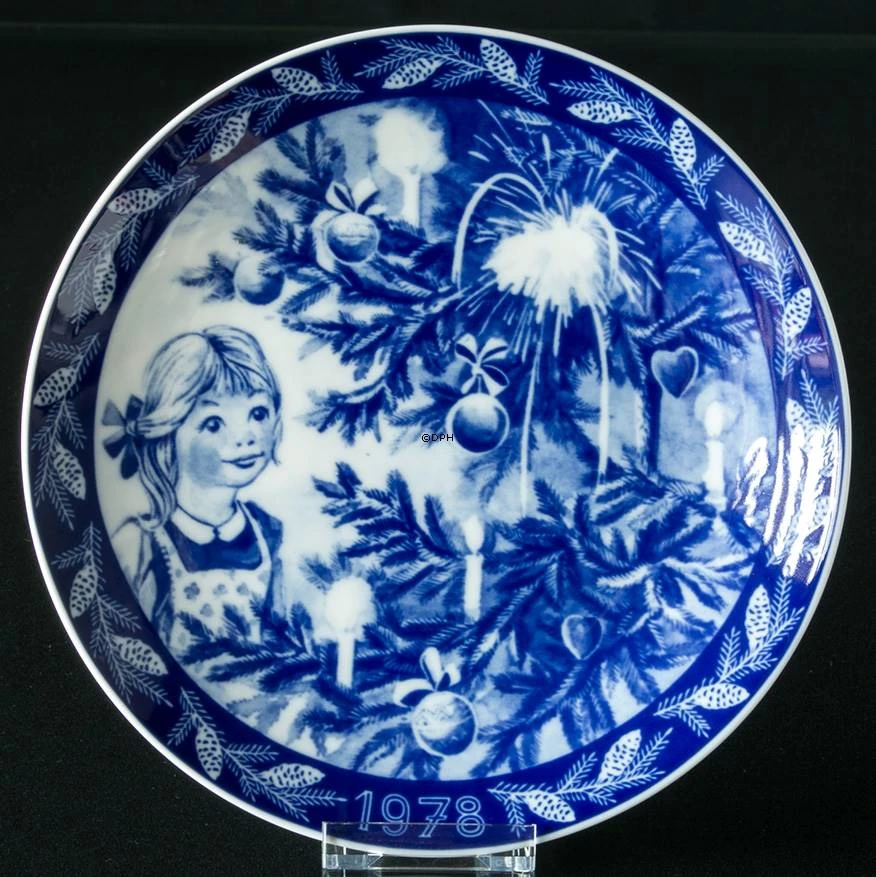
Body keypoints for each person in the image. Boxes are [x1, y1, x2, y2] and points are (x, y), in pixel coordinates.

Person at [105, 326, 286, 660]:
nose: (245, 436)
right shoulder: (144, 543)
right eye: (214, 423)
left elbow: (282, 638)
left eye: (258, 413)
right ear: (169, 430)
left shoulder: (268, 532)